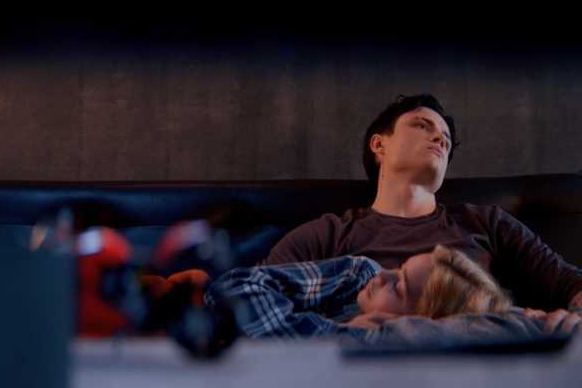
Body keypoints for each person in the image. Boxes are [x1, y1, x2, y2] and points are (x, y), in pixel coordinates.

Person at [166, 94, 582, 332]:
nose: (440, 138)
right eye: (422, 125)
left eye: (445, 137)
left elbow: (571, 284)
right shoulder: (330, 234)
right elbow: (255, 297)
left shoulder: (484, 222)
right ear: (379, 145)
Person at [204, 244, 514, 337]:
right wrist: (337, 333)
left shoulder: (394, 345)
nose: (384, 275)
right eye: (400, 267)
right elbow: (233, 288)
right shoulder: (360, 274)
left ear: (415, 323)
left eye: (399, 287)